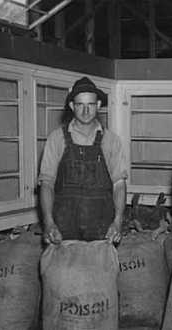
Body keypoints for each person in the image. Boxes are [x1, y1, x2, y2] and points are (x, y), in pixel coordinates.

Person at [39, 77, 127, 245]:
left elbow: (119, 185)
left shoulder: (111, 140)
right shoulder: (56, 139)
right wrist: (49, 223)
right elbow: (47, 184)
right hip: (64, 229)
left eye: (91, 105)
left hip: (102, 228)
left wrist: (117, 222)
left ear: (99, 105)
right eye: (80, 105)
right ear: (72, 106)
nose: (86, 111)